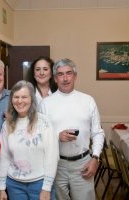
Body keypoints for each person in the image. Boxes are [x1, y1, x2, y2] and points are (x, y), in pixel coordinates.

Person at [40, 58, 105, 200]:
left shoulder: (88, 100)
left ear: (75, 76)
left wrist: (95, 158)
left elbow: (98, 133)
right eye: (60, 74)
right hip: (55, 164)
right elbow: (39, 136)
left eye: (69, 73)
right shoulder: (46, 104)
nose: (65, 78)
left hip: (83, 164)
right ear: (55, 79)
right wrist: (57, 136)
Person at [0, 80, 59, 200]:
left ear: (32, 99)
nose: (19, 101)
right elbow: (4, 156)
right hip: (14, 185)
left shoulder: (43, 122)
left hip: (40, 184)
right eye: (16, 97)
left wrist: (46, 188)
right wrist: (1, 188)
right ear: (11, 100)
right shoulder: (7, 124)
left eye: (24, 97)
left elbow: (52, 156)